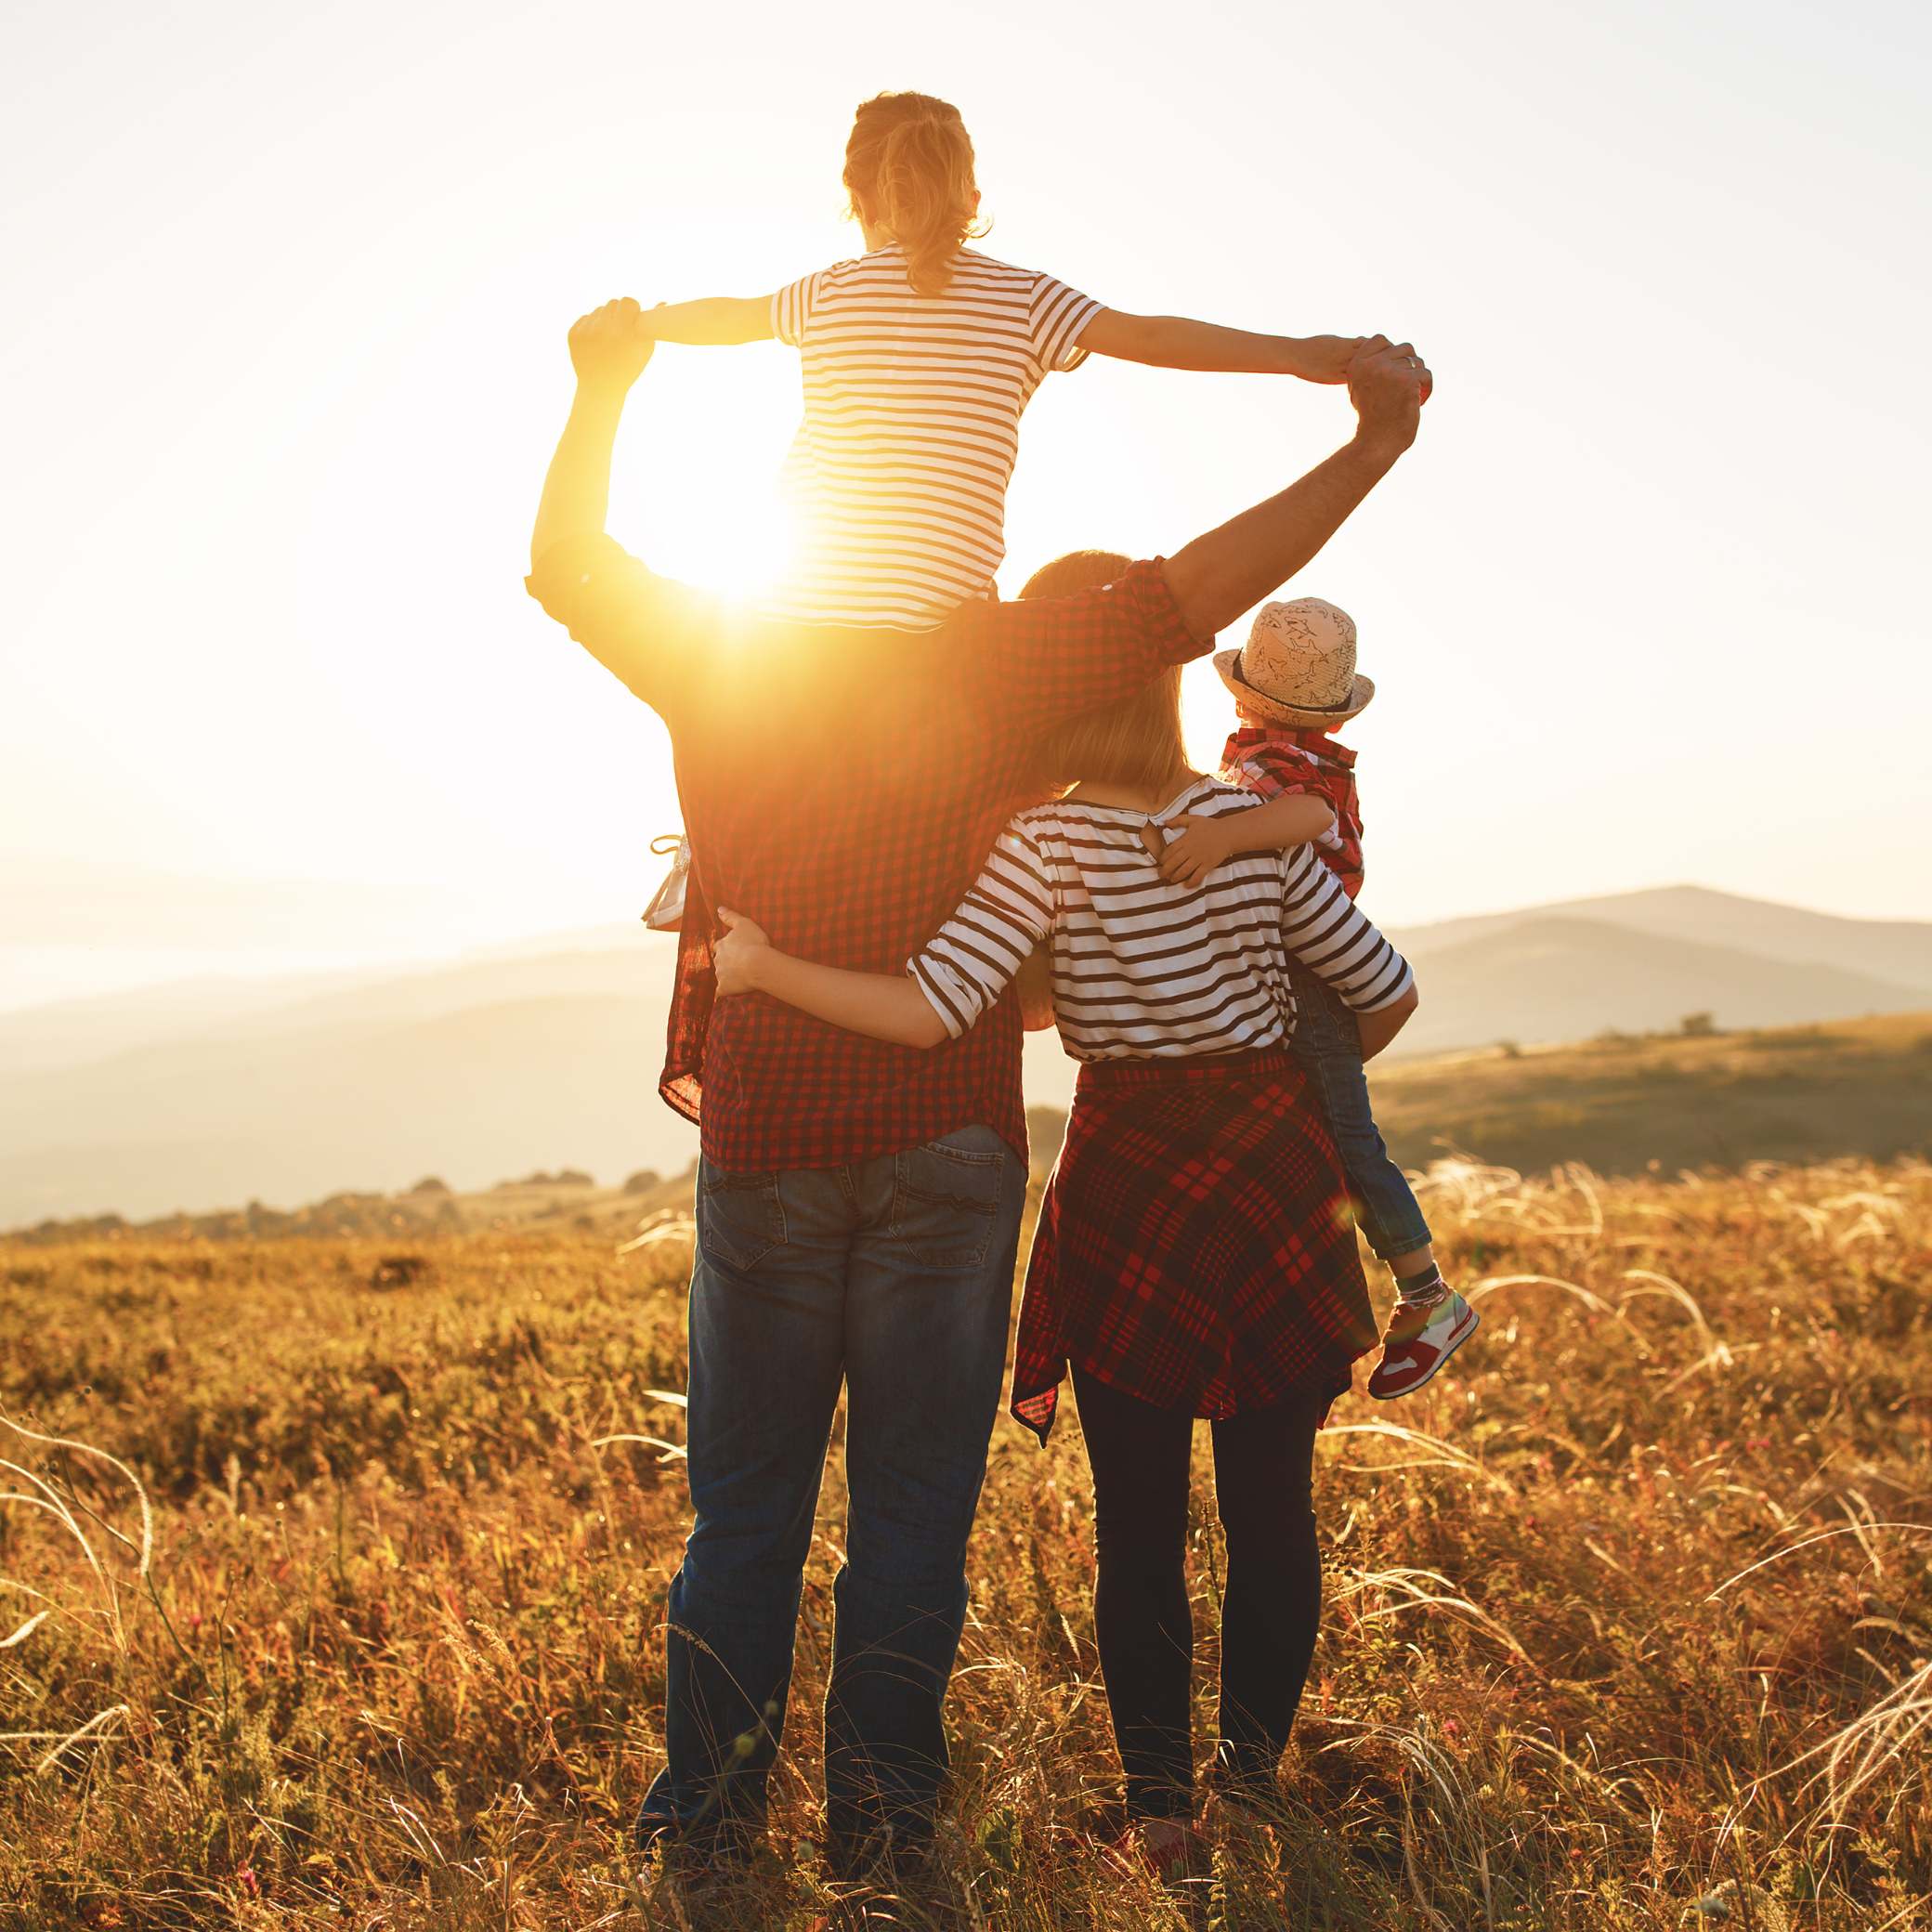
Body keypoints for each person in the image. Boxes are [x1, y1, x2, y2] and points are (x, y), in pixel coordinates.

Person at [524, 292, 1430, 1888]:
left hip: (772, 1132)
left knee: (743, 1510)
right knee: (914, 1516)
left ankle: (708, 1823)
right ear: (964, 467)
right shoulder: (1010, 656)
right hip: (951, 1141)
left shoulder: (720, 642)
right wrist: (1369, 438)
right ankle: (887, 1825)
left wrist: (603, 388)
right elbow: (1208, 589)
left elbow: (568, 564)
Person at [710, 607, 1423, 1873]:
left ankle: (1160, 1811)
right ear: (1164, 695)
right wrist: (1277, 1090)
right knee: (1275, 1511)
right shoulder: (1240, 822)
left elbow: (933, 1012)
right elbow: (1385, 991)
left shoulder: (1044, 839)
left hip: (1129, 1178)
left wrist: (764, 970)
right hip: (1269, 1174)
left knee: (1137, 1520)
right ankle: (1249, 1790)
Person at [645, 89, 1377, 631]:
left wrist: (640, 325)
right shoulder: (1025, 298)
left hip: (793, 614)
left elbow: (727, 318)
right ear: (971, 197)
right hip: (939, 625)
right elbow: (1154, 339)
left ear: (855, 197)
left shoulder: (827, 292)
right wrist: (1299, 355)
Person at [1153, 597, 1479, 1396]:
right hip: (1296, 966)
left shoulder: (1284, 767)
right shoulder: (1287, 753)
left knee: (1344, 1136)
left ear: (1242, 692)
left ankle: (1428, 1293)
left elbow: (1304, 818)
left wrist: (1223, 837)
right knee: (1314, 1132)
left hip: (1307, 967)